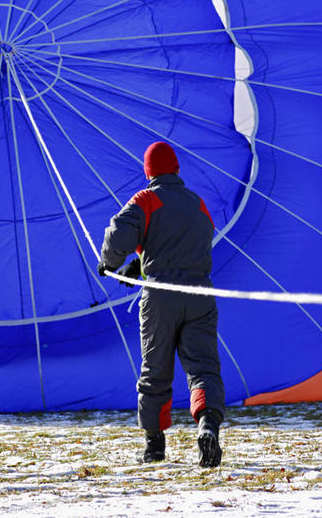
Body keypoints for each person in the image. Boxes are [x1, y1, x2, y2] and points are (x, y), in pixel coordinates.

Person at [98, 141, 225, 468]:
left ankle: (154, 446)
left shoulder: (146, 199)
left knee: (155, 370)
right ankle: (207, 427)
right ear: (177, 169)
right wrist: (141, 265)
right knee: (203, 368)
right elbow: (191, 244)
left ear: (148, 172)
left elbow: (117, 237)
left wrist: (109, 263)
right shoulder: (198, 204)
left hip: (161, 297)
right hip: (200, 294)